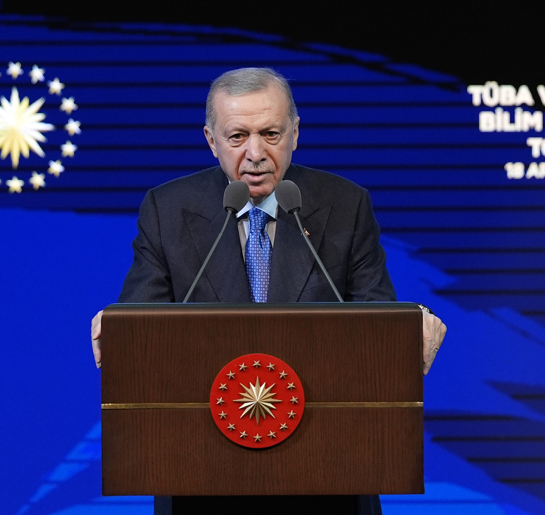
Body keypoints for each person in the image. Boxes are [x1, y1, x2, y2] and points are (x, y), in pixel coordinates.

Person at [90, 67, 447, 515]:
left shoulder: (345, 204)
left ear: (295, 133)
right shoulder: (167, 209)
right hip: (202, 477)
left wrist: (411, 323)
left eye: (271, 134)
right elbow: (143, 326)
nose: (256, 154)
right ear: (211, 140)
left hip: (329, 475)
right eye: (238, 136)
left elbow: (374, 317)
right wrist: (121, 328)